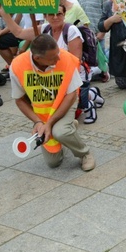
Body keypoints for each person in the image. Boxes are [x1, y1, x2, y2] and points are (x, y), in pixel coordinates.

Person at [10, 34, 95, 171]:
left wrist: (49, 124)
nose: (59, 57)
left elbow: (72, 94)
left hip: (65, 103)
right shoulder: (17, 65)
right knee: (53, 162)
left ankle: (85, 153)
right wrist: (38, 122)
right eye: (53, 57)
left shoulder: (65, 58)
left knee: (60, 132)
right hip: (42, 112)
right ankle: (68, 128)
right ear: (37, 58)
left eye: (58, 53)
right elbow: (19, 100)